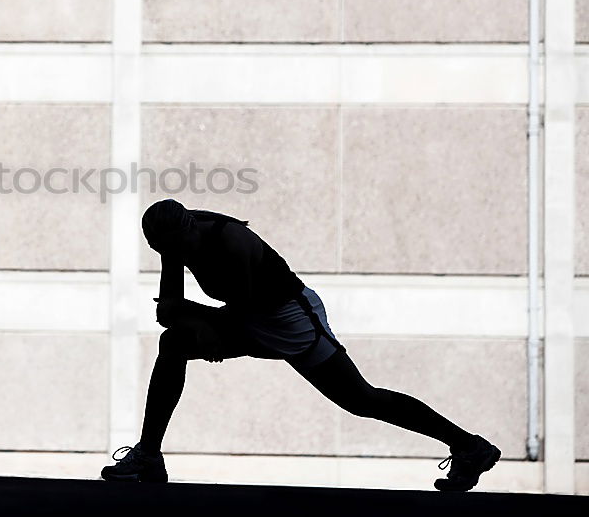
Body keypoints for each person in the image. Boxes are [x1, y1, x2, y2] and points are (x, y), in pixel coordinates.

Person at [101, 199, 500, 492]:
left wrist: (189, 312)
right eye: (163, 252)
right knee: (173, 342)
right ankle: (149, 454)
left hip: (290, 320)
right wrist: (184, 314)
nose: (174, 258)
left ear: (190, 228)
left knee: (361, 400)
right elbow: (172, 313)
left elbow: (239, 309)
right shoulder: (174, 244)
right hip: (248, 318)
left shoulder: (231, 241)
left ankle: (469, 446)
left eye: (176, 248)